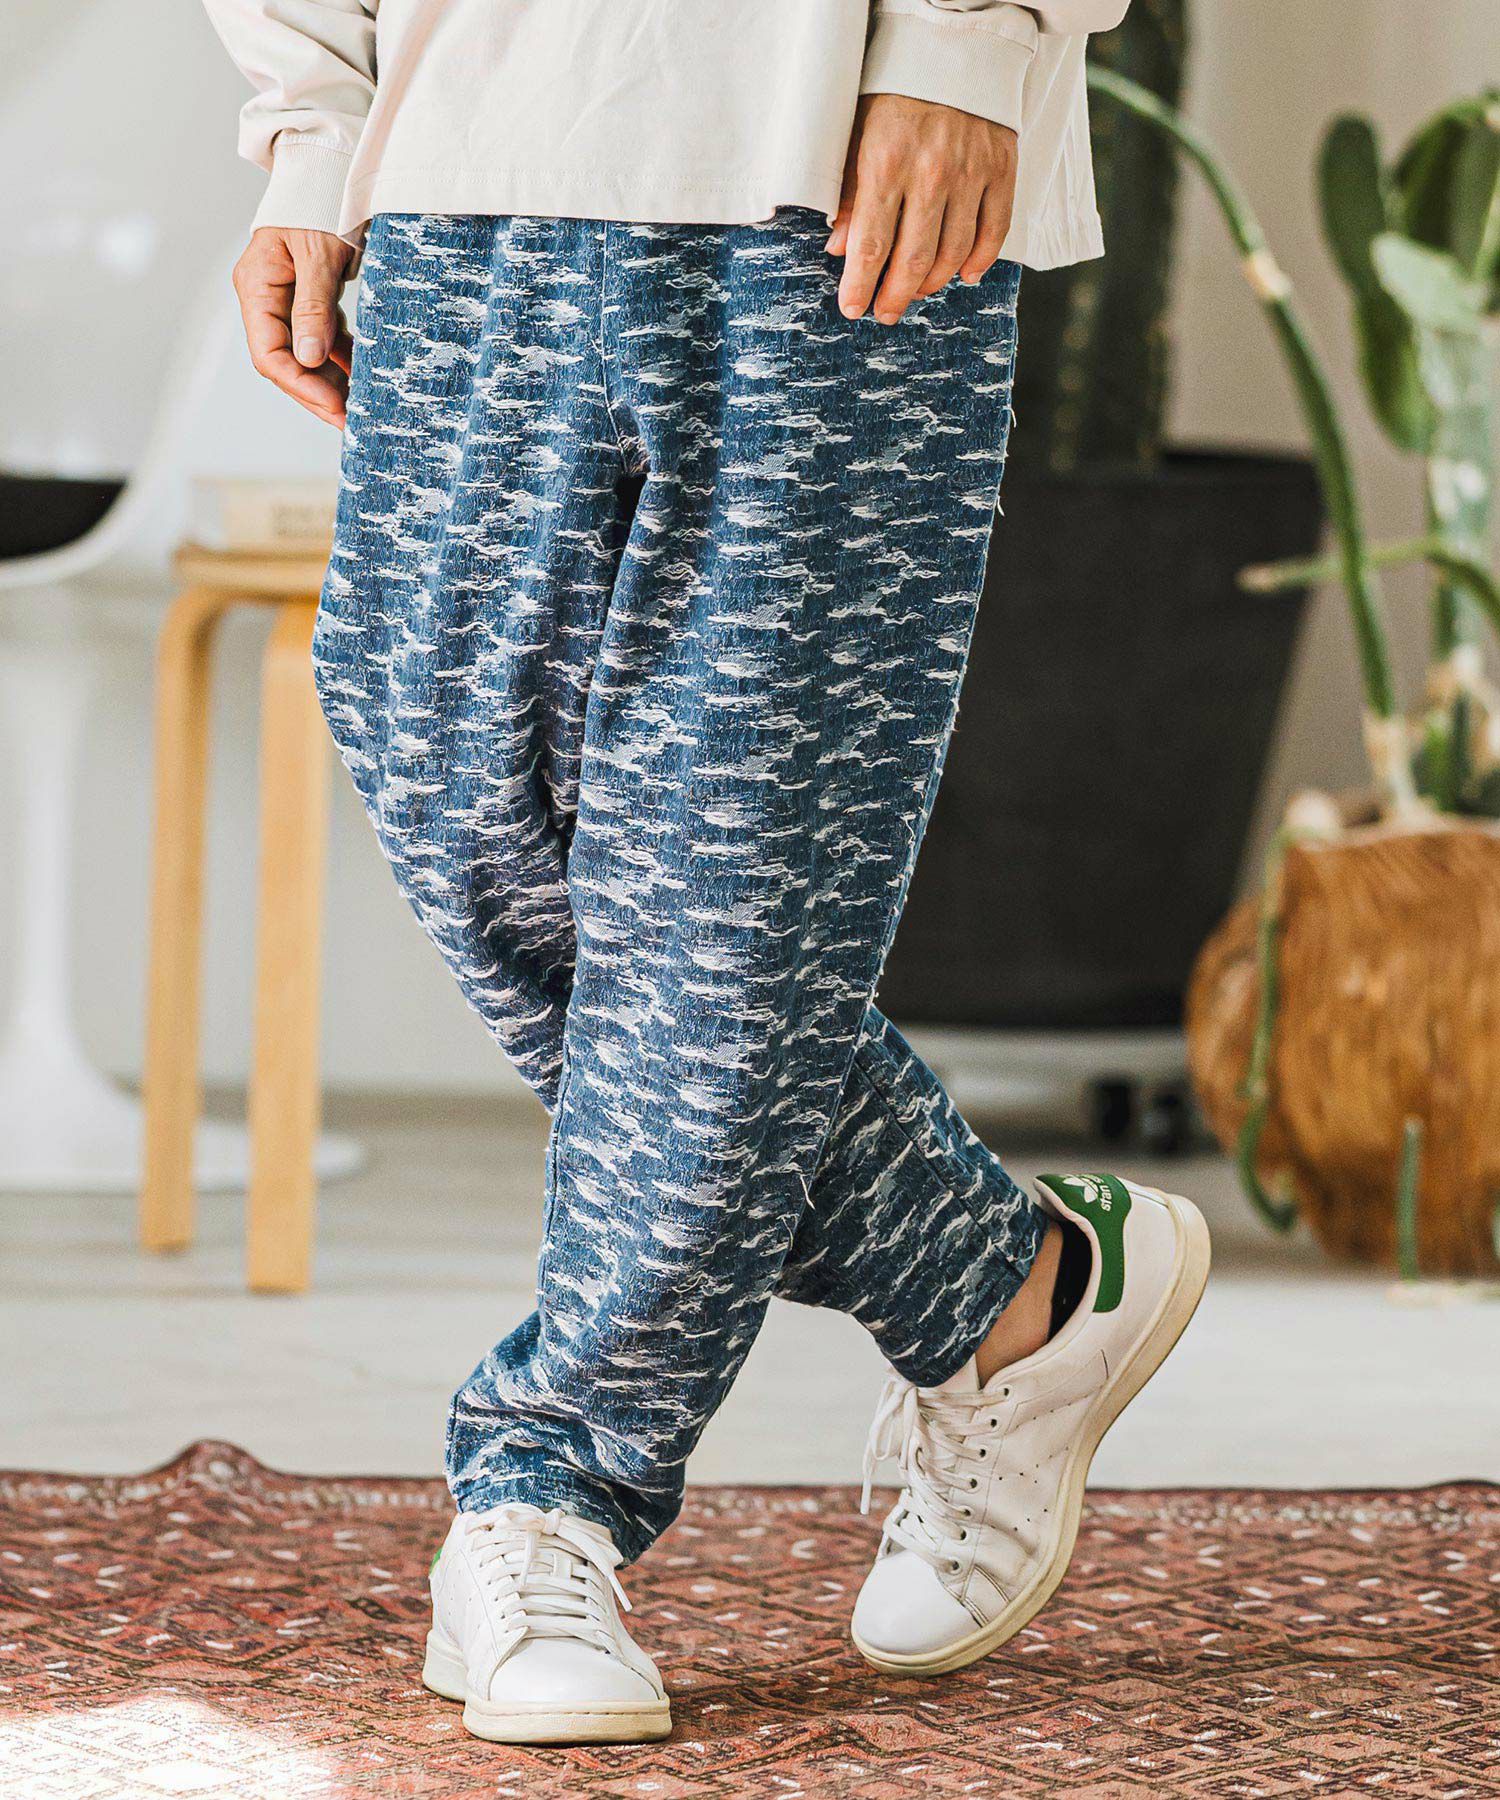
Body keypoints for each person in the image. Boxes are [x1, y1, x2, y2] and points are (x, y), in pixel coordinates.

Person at [204, 0, 1210, 1747]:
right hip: (453, 153)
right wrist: (312, 121)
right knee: (445, 776)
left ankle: (548, 1491)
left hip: (836, 162)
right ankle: (1008, 1289)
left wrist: (966, 45)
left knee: (734, 899)